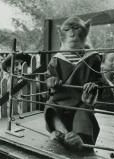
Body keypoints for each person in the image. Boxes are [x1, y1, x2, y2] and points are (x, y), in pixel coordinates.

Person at [44, 16, 102, 150]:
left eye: (76, 29)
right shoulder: (56, 60)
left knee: (84, 110)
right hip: (60, 102)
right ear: (61, 33)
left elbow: (98, 81)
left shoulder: (93, 58)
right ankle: (63, 133)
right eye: (67, 30)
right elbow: (49, 79)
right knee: (49, 106)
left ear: (86, 30)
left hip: (81, 102)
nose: (72, 34)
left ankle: (80, 138)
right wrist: (51, 84)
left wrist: (92, 90)